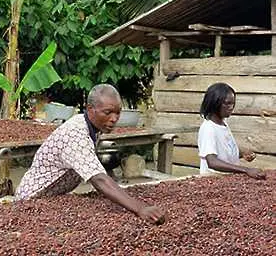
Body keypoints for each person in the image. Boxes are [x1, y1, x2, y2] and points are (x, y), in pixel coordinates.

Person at [16, 84, 166, 225]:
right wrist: (140, 208)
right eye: (107, 112)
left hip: (52, 198)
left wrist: (116, 190)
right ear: (90, 109)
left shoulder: (90, 127)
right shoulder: (76, 134)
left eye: (117, 113)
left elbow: (95, 167)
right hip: (32, 200)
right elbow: (98, 179)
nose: (114, 119)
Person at [198, 82, 266, 180]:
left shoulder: (223, 124)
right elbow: (212, 162)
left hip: (227, 179)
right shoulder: (209, 128)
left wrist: (241, 153)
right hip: (213, 180)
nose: (231, 107)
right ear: (214, 103)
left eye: (233, 103)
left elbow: (223, 153)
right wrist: (246, 170)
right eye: (227, 103)